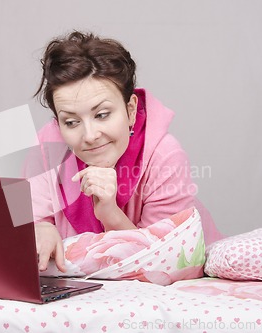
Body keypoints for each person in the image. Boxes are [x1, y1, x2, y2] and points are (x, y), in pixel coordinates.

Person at [31, 31, 223, 273]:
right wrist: (40, 228)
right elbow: (21, 224)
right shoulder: (44, 151)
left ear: (130, 110)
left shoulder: (165, 156)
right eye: (71, 122)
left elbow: (169, 261)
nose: (89, 135)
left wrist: (110, 213)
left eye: (102, 115)